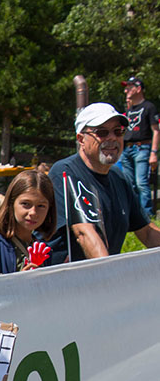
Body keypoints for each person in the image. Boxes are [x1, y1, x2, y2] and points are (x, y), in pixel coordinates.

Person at [47, 102, 160, 263]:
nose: (112, 138)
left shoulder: (118, 177)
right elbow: (84, 233)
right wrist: (110, 275)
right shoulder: (65, 172)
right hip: (64, 281)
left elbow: (147, 232)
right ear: (81, 139)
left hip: (100, 276)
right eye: (102, 132)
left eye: (118, 131)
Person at [0, 169, 56, 277]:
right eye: (26, 204)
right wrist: (14, 283)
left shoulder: (44, 250)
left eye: (41, 206)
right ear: (11, 203)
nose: (33, 212)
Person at [117, 76, 159, 218]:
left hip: (142, 148)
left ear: (138, 88)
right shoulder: (128, 111)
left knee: (141, 183)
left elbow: (156, 130)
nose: (126, 90)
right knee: (129, 184)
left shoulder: (149, 107)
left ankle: (147, 215)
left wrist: (154, 152)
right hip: (126, 149)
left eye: (129, 87)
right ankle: (133, 215)